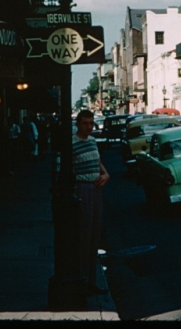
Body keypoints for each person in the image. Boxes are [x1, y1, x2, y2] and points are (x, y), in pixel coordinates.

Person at [72, 109, 110, 295]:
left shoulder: (93, 141)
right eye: (85, 123)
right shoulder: (72, 143)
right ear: (78, 124)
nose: (88, 126)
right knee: (84, 235)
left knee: (95, 234)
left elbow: (98, 163)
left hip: (96, 188)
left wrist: (106, 174)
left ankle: (92, 281)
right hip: (82, 188)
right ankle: (82, 279)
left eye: (91, 123)